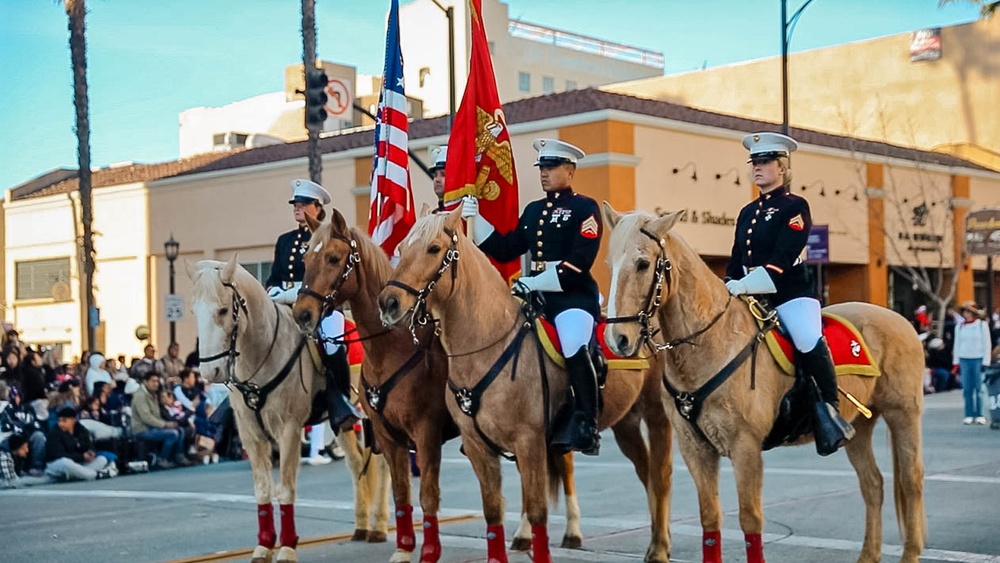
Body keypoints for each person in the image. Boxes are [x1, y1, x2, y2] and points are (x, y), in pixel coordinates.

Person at [461, 138, 603, 455]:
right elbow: (507, 247)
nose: (544, 173)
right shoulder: (534, 210)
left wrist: (537, 281)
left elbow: (579, 263)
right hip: (534, 296)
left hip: (572, 297)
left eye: (551, 168)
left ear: (570, 170)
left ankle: (586, 423)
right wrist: (477, 217)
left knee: (572, 344)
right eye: (542, 168)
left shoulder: (585, 208)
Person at [723, 132, 854, 456]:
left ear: (782, 167)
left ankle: (829, 412)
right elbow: (737, 255)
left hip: (791, 293)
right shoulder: (747, 212)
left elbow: (783, 257)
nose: (757, 167)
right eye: (754, 162)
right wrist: (728, 283)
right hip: (752, 296)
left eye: (764, 162)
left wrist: (746, 283)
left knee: (808, 338)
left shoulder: (795, 206)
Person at [264, 178, 359, 460]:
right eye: (296, 204)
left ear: (318, 208)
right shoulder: (285, 241)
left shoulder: (330, 238)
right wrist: (276, 290)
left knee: (331, 343)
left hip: (324, 308)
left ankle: (340, 401)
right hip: (286, 306)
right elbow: (273, 277)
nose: (298, 208)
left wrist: (298, 291)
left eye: (303, 204)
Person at [131, 372, 190, 469]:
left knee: (180, 430)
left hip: (153, 426)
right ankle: (162, 459)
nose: (156, 384)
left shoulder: (152, 394)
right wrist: (165, 424)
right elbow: (146, 418)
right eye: (153, 381)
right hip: (142, 429)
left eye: (157, 381)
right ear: (145, 382)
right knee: (172, 434)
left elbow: (156, 415)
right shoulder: (140, 396)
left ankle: (179, 456)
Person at [45, 406, 116, 481]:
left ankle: (76, 476)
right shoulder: (54, 433)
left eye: (64, 421)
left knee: (102, 459)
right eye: (59, 421)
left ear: (73, 420)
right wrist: (82, 456)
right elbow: (59, 455)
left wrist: (91, 453)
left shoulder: (82, 430)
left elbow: (90, 445)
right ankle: (95, 475)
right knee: (65, 462)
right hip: (57, 464)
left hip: (79, 464)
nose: (61, 424)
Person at [952, 301, 991, 425]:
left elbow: (987, 343)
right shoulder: (959, 326)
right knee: (967, 388)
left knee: (979, 388)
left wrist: (986, 360)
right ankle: (968, 414)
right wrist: (955, 362)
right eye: (964, 311)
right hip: (964, 358)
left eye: (968, 311)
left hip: (978, 358)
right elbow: (957, 344)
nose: (966, 314)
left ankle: (980, 414)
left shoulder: (982, 325)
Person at [429, 146, 448, 212]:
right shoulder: (433, 216)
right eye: (435, 175)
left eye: (443, 175)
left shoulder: (465, 216)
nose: (437, 179)